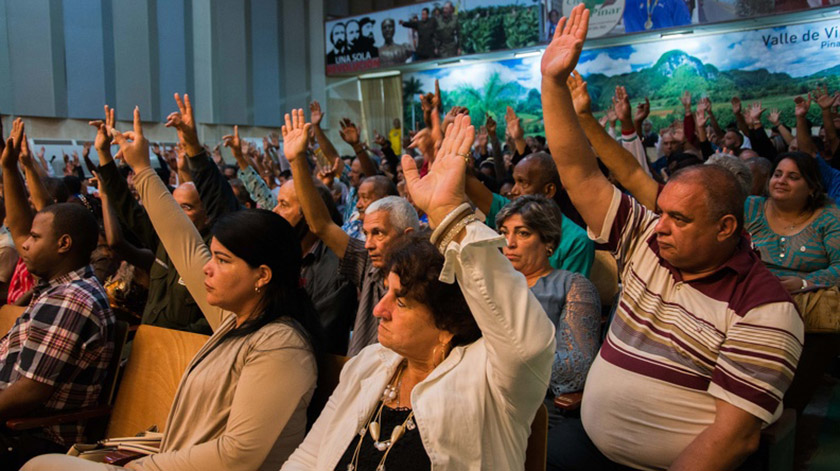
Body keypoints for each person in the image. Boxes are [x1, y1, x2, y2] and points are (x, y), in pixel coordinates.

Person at [541, 7, 803, 470]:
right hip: (590, 443)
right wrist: (553, 84)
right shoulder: (647, 238)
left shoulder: (763, 307)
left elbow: (731, 440)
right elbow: (580, 172)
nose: (658, 225)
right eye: (660, 212)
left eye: (678, 219)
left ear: (726, 228)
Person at [25, 106, 319, 471]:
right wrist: (142, 169)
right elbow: (182, 242)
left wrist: (142, 468)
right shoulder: (236, 320)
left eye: (223, 261)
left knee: (40, 466)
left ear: (262, 275)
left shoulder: (281, 345)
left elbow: (238, 455)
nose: (207, 269)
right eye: (213, 257)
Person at [282, 111, 555, 471]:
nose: (380, 310)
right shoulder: (367, 365)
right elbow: (309, 458)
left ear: (447, 321)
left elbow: (526, 346)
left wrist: (449, 214)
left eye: (402, 301)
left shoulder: (490, 381)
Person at [0, 119, 114, 467]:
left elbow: (31, 391)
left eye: (36, 239)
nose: (25, 244)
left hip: (32, 437)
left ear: (63, 245)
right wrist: (9, 167)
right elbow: (19, 225)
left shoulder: (73, 298)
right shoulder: (58, 286)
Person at [284, 109, 419, 356]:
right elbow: (321, 225)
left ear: (407, 235)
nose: (367, 244)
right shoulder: (368, 266)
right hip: (361, 381)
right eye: (366, 234)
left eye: (378, 234)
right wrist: (296, 161)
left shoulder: (428, 279)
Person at [495, 195, 600, 440]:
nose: (509, 244)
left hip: (537, 406)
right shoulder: (489, 286)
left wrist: (502, 360)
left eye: (522, 233)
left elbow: (576, 369)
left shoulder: (572, 285)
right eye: (503, 232)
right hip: (480, 396)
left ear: (548, 241)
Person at [466, 152, 595, 276]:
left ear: (548, 191)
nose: (513, 190)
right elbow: (469, 182)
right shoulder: (510, 213)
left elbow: (569, 293)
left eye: (523, 183)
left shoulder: (577, 241)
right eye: (505, 232)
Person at [744, 152, 840, 290]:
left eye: (793, 177)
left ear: (811, 187)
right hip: (748, 291)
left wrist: (804, 283)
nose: (781, 181)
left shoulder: (830, 217)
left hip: (808, 297)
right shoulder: (750, 207)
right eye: (777, 175)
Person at [623, 0, 691, 33]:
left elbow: (685, 34)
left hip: (668, 53)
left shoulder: (675, 2)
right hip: (633, 57)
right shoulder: (625, 3)